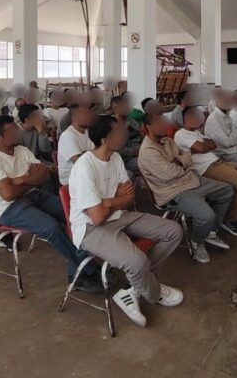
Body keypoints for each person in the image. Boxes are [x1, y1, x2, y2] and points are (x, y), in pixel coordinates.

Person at [69, 115, 184, 327]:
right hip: (90, 228)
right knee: (137, 262)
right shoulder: (85, 166)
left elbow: (129, 198)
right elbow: (97, 217)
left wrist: (106, 201)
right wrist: (114, 199)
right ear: (104, 139)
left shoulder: (115, 158)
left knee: (173, 231)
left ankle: (139, 283)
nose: (124, 134)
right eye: (118, 132)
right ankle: (153, 290)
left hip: (118, 216)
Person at [0, 116, 104, 294]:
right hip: (9, 209)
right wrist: (30, 178)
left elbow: (43, 175)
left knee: (78, 214)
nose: (17, 133)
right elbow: (9, 195)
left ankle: (77, 270)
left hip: (34, 196)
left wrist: (20, 180)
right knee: (51, 227)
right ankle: (87, 268)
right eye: (12, 131)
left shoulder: (21, 150)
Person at [138, 113, 233, 264]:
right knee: (206, 215)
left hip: (190, 179)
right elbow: (170, 173)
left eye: (164, 122)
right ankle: (197, 241)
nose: (164, 126)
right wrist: (182, 162)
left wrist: (179, 162)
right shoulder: (148, 151)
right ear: (148, 127)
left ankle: (210, 231)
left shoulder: (168, 141)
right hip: (173, 191)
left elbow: (186, 158)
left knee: (227, 190)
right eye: (159, 123)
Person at [175, 107, 237, 235]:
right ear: (187, 118)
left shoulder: (197, 133)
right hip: (207, 168)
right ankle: (229, 219)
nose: (200, 119)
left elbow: (213, 145)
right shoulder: (181, 134)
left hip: (218, 161)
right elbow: (202, 148)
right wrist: (204, 145)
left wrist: (204, 146)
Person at [57, 106, 94, 185]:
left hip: (88, 173)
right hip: (72, 179)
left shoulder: (88, 131)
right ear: (74, 118)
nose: (89, 116)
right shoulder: (67, 135)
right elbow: (79, 162)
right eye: (85, 114)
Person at [110, 95, 142, 177]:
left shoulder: (132, 122)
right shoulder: (110, 125)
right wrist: (132, 152)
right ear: (115, 108)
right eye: (124, 106)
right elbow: (113, 148)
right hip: (124, 159)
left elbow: (140, 138)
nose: (128, 108)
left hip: (139, 152)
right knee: (145, 162)